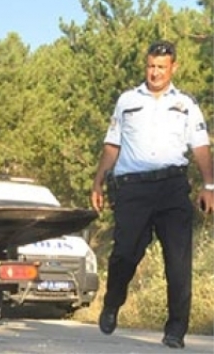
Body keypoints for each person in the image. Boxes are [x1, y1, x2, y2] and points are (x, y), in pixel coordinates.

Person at [90, 40, 213, 350]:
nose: (155, 72)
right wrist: (98, 181)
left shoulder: (186, 104)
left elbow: (200, 147)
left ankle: (175, 330)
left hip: (172, 188)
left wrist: (209, 185)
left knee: (178, 262)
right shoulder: (127, 101)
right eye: (150, 66)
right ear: (145, 66)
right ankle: (113, 301)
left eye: (161, 67)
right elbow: (112, 145)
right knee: (125, 254)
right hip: (133, 189)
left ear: (173, 67)